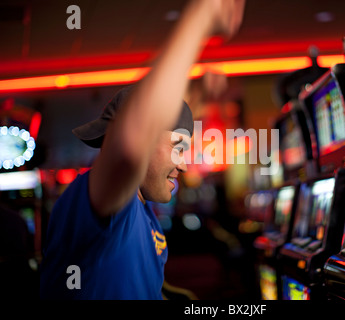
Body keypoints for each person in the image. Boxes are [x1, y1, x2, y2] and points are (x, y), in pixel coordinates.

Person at [40, 0, 246, 300]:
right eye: (178, 148)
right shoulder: (98, 201)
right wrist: (201, 17)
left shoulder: (142, 211)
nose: (184, 166)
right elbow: (133, 144)